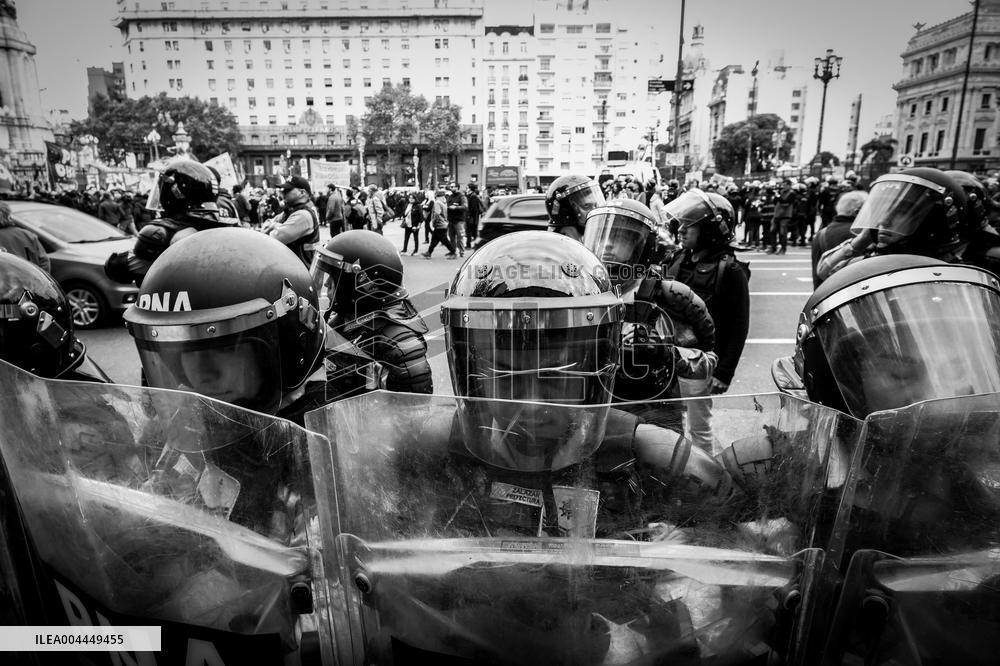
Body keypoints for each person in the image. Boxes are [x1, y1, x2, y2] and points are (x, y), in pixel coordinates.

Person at [124, 227, 329, 426]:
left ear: (288, 346)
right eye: (184, 353)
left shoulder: (326, 435)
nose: (203, 374)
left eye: (226, 349)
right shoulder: (190, 427)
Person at [581, 198, 717, 433]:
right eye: (601, 237)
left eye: (620, 238)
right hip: (597, 414)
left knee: (665, 468)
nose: (608, 245)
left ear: (643, 248)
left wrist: (666, 353)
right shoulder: (579, 293)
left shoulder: (671, 298)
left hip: (656, 416)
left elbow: (708, 359)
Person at [311, 229, 433, 394]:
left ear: (362, 284)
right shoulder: (347, 319)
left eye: (333, 278)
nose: (326, 285)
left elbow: (415, 411)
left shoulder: (401, 344)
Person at [663, 190, 750, 399]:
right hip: (668, 359)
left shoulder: (730, 270)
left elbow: (738, 325)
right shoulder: (676, 258)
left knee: (697, 427)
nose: (682, 230)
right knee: (665, 420)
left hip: (700, 365)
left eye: (690, 225)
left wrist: (724, 373)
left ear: (710, 230)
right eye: (681, 224)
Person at [816, 167, 968, 282]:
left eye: (899, 212)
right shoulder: (877, 261)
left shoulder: (954, 275)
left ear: (932, 219)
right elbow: (826, 271)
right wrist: (859, 241)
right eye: (882, 211)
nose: (883, 221)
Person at [104, 160, 234, 287]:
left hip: (178, 304)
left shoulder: (164, 234)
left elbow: (116, 267)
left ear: (174, 192)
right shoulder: (227, 226)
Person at [811, 189, 867, 288]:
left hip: (828, 294)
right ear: (857, 212)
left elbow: (817, 278)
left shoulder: (821, 234)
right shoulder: (863, 235)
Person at [261, 175, 321, 267]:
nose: (283, 192)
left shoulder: (303, 215)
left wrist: (273, 225)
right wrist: (276, 225)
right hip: (292, 269)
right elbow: (265, 225)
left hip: (301, 274)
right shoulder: (291, 211)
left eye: (288, 190)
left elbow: (272, 238)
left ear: (302, 192)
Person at [545, 174, 606, 241]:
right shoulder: (560, 242)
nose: (594, 210)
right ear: (568, 211)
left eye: (596, 205)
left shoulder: (587, 232)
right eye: (587, 206)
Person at [0, 201, 48, 272]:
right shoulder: (27, 235)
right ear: (8, 215)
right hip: (28, 280)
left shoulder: (28, 235)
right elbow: (44, 262)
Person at [421, 189, 457, 259]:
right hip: (443, 224)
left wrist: (434, 221)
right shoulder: (444, 202)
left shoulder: (437, 202)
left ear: (437, 196)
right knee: (434, 239)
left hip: (440, 225)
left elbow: (437, 213)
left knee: (444, 240)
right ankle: (429, 252)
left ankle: (453, 252)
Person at [445, 181, 468, 258]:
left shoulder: (462, 196)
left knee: (460, 237)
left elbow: (465, 207)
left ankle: (461, 252)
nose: (451, 188)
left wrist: (456, 207)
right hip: (451, 220)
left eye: (452, 187)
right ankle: (453, 252)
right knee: (451, 237)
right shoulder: (450, 196)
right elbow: (447, 206)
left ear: (457, 187)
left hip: (459, 220)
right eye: (450, 187)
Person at [465, 182, 484, 249]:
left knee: (469, 232)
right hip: (473, 218)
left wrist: (469, 216)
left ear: (470, 189)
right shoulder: (471, 196)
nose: (466, 189)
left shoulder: (473, 197)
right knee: (474, 232)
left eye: (467, 188)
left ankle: (469, 245)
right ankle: (477, 245)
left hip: (472, 218)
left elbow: (473, 209)